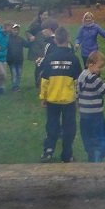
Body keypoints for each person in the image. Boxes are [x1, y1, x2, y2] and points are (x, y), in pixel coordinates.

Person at [39, 26, 82, 163]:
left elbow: (44, 80)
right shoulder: (74, 59)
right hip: (68, 101)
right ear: (68, 39)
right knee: (69, 128)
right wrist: (78, 99)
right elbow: (78, 82)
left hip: (52, 99)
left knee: (52, 125)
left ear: (55, 40)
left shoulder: (49, 58)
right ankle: (67, 155)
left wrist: (43, 97)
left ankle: (48, 152)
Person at [76, 51, 105, 162]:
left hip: (84, 115)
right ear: (91, 64)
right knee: (101, 137)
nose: (101, 69)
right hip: (96, 115)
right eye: (100, 67)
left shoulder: (81, 76)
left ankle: (91, 157)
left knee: (88, 138)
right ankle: (97, 159)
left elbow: (77, 92)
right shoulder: (94, 79)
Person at [7, 24, 28, 92]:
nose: (16, 31)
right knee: (14, 74)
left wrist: (31, 39)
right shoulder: (8, 39)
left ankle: (17, 85)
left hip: (19, 60)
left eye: (17, 30)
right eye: (14, 30)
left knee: (19, 74)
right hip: (11, 60)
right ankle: (14, 87)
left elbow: (27, 45)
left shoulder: (20, 39)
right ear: (11, 30)